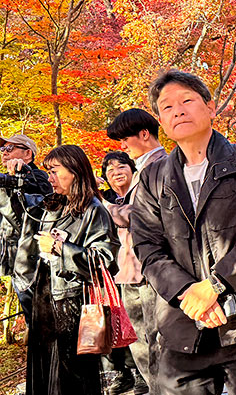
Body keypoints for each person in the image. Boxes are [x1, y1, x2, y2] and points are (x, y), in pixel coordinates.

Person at [131, 70, 236, 395]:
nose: (177, 110)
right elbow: (148, 247)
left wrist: (215, 285)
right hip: (182, 326)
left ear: (210, 107)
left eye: (187, 101)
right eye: (167, 107)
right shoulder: (153, 178)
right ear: (161, 122)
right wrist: (189, 294)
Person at [15, 145, 119, 395]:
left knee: (73, 375)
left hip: (73, 302)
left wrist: (62, 248)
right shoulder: (55, 205)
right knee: (44, 370)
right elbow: (19, 216)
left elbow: (104, 260)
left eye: (54, 171)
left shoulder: (94, 210)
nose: (49, 177)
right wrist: (18, 179)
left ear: (74, 171)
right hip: (44, 297)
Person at [105, 108, 168, 395]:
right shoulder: (145, 167)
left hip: (153, 270)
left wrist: (107, 209)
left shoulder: (162, 166)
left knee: (156, 340)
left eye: (124, 138)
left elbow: (146, 215)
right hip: (131, 271)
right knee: (141, 341)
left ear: (144, 134)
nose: (122, 146)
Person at [97, 151, 145, 395]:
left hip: (146, 273)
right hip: (116, 275)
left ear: (132, 169)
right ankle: (134, 374)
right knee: (127, 330)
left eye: (121, 166)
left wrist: (103, 204)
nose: (116, 171)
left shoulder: (142, 190)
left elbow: (130, 217)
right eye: (110, 169)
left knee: (149, 331)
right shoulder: (105, 199)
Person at [0, 134, 52, 324]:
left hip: (33, 262)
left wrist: (21, 176)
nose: (4, 153)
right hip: (16, 261)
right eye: (2, 149)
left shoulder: (38, 177)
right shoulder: (9, 180)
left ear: (28, 153)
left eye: (10, 148)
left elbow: (30, 211)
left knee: (41, 322)